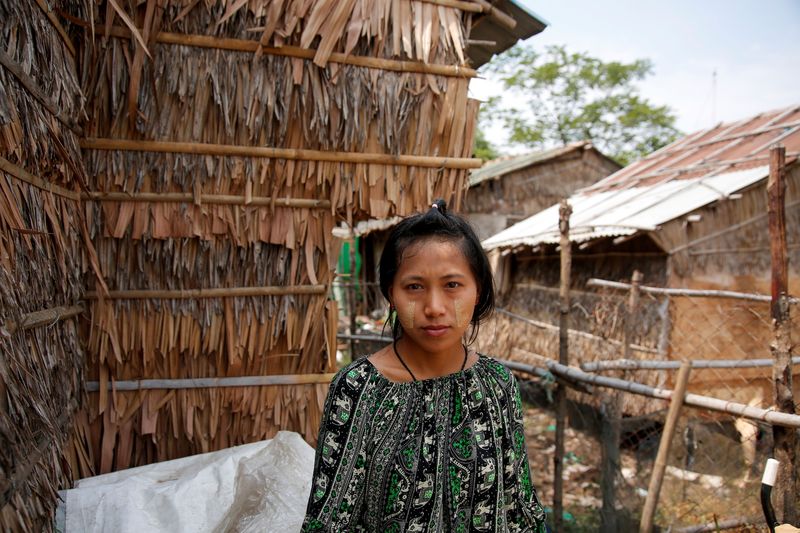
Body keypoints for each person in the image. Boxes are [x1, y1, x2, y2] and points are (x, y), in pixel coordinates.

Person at [302, 200, 547, 532]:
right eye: (414, 287)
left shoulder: (498, 384)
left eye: (452, 285)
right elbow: (330, 522)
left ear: (478, 291)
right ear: (391, 294)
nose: (434, 307)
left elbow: (519, 508)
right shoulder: (358, 389)